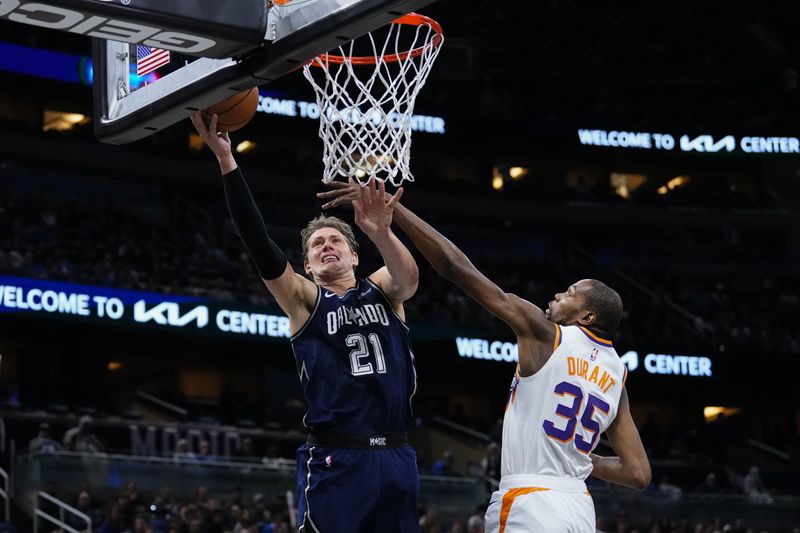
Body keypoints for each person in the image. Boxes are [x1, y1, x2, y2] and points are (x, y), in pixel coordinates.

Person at [319, 182, 651, 533]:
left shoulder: (546, 334)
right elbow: (638, 473)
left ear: (587, 318)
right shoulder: (618, 376)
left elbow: (457, 268)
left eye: (569, 294)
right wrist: (581, 458)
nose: (557, 295)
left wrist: (395, 210)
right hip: (580, 509)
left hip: (531, 500)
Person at [191, 113, 421, 533]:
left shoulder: (382, 291)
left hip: (396, 454)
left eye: (336, 240)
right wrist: (227, 160)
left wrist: (383, 233)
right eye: (318, 244)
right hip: (338, 457)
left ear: (355, 256)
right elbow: (258, 243)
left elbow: (409, 277)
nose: (327, 245)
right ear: (308, 265)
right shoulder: (304, 300)